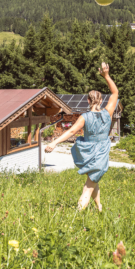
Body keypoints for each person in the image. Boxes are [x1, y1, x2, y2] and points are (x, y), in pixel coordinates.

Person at [45, 62, 118, 211]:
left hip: (89, 153)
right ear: (102, 101)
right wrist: (106, 76)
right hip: (102, 153)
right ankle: (94, 211)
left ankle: (84, 213)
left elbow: (71, 132)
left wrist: (54, 142)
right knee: (92, 181)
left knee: (90, 183)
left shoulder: (84, 117)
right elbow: (115, 93)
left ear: (88, 100)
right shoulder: (108, 113)